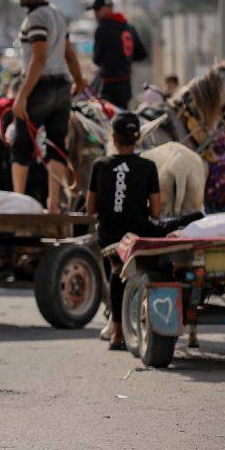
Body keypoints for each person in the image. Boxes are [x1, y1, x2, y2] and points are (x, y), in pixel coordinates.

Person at [11, 0, 88, 213]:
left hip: (41, 88)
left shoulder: (36, 18)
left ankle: (17, 202)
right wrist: (79, 80)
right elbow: (69, 54)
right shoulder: (57, 14)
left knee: (21, 145)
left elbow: (39, 57)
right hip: (62, 87)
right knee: (56, 145)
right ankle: (54, 203)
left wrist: (22, 96)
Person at [86, 113, 161, 351]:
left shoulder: (100, 165)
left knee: (116, 274)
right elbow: (157, 212)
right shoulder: (148, 167)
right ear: (137, 138)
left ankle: (117, 333)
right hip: (139, 236)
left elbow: (90, 207)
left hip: (110, 236)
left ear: (114, 137)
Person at [89, 0, 147, 109]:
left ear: (107, 9)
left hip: (108, 86)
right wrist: (125, 58)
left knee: (107, 119)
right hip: (126, 85)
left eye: (97, 10)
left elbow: (96, 59)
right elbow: (142, 54)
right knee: (122, 118)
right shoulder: (129, 27)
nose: (95, 14)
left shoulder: (103, 28)